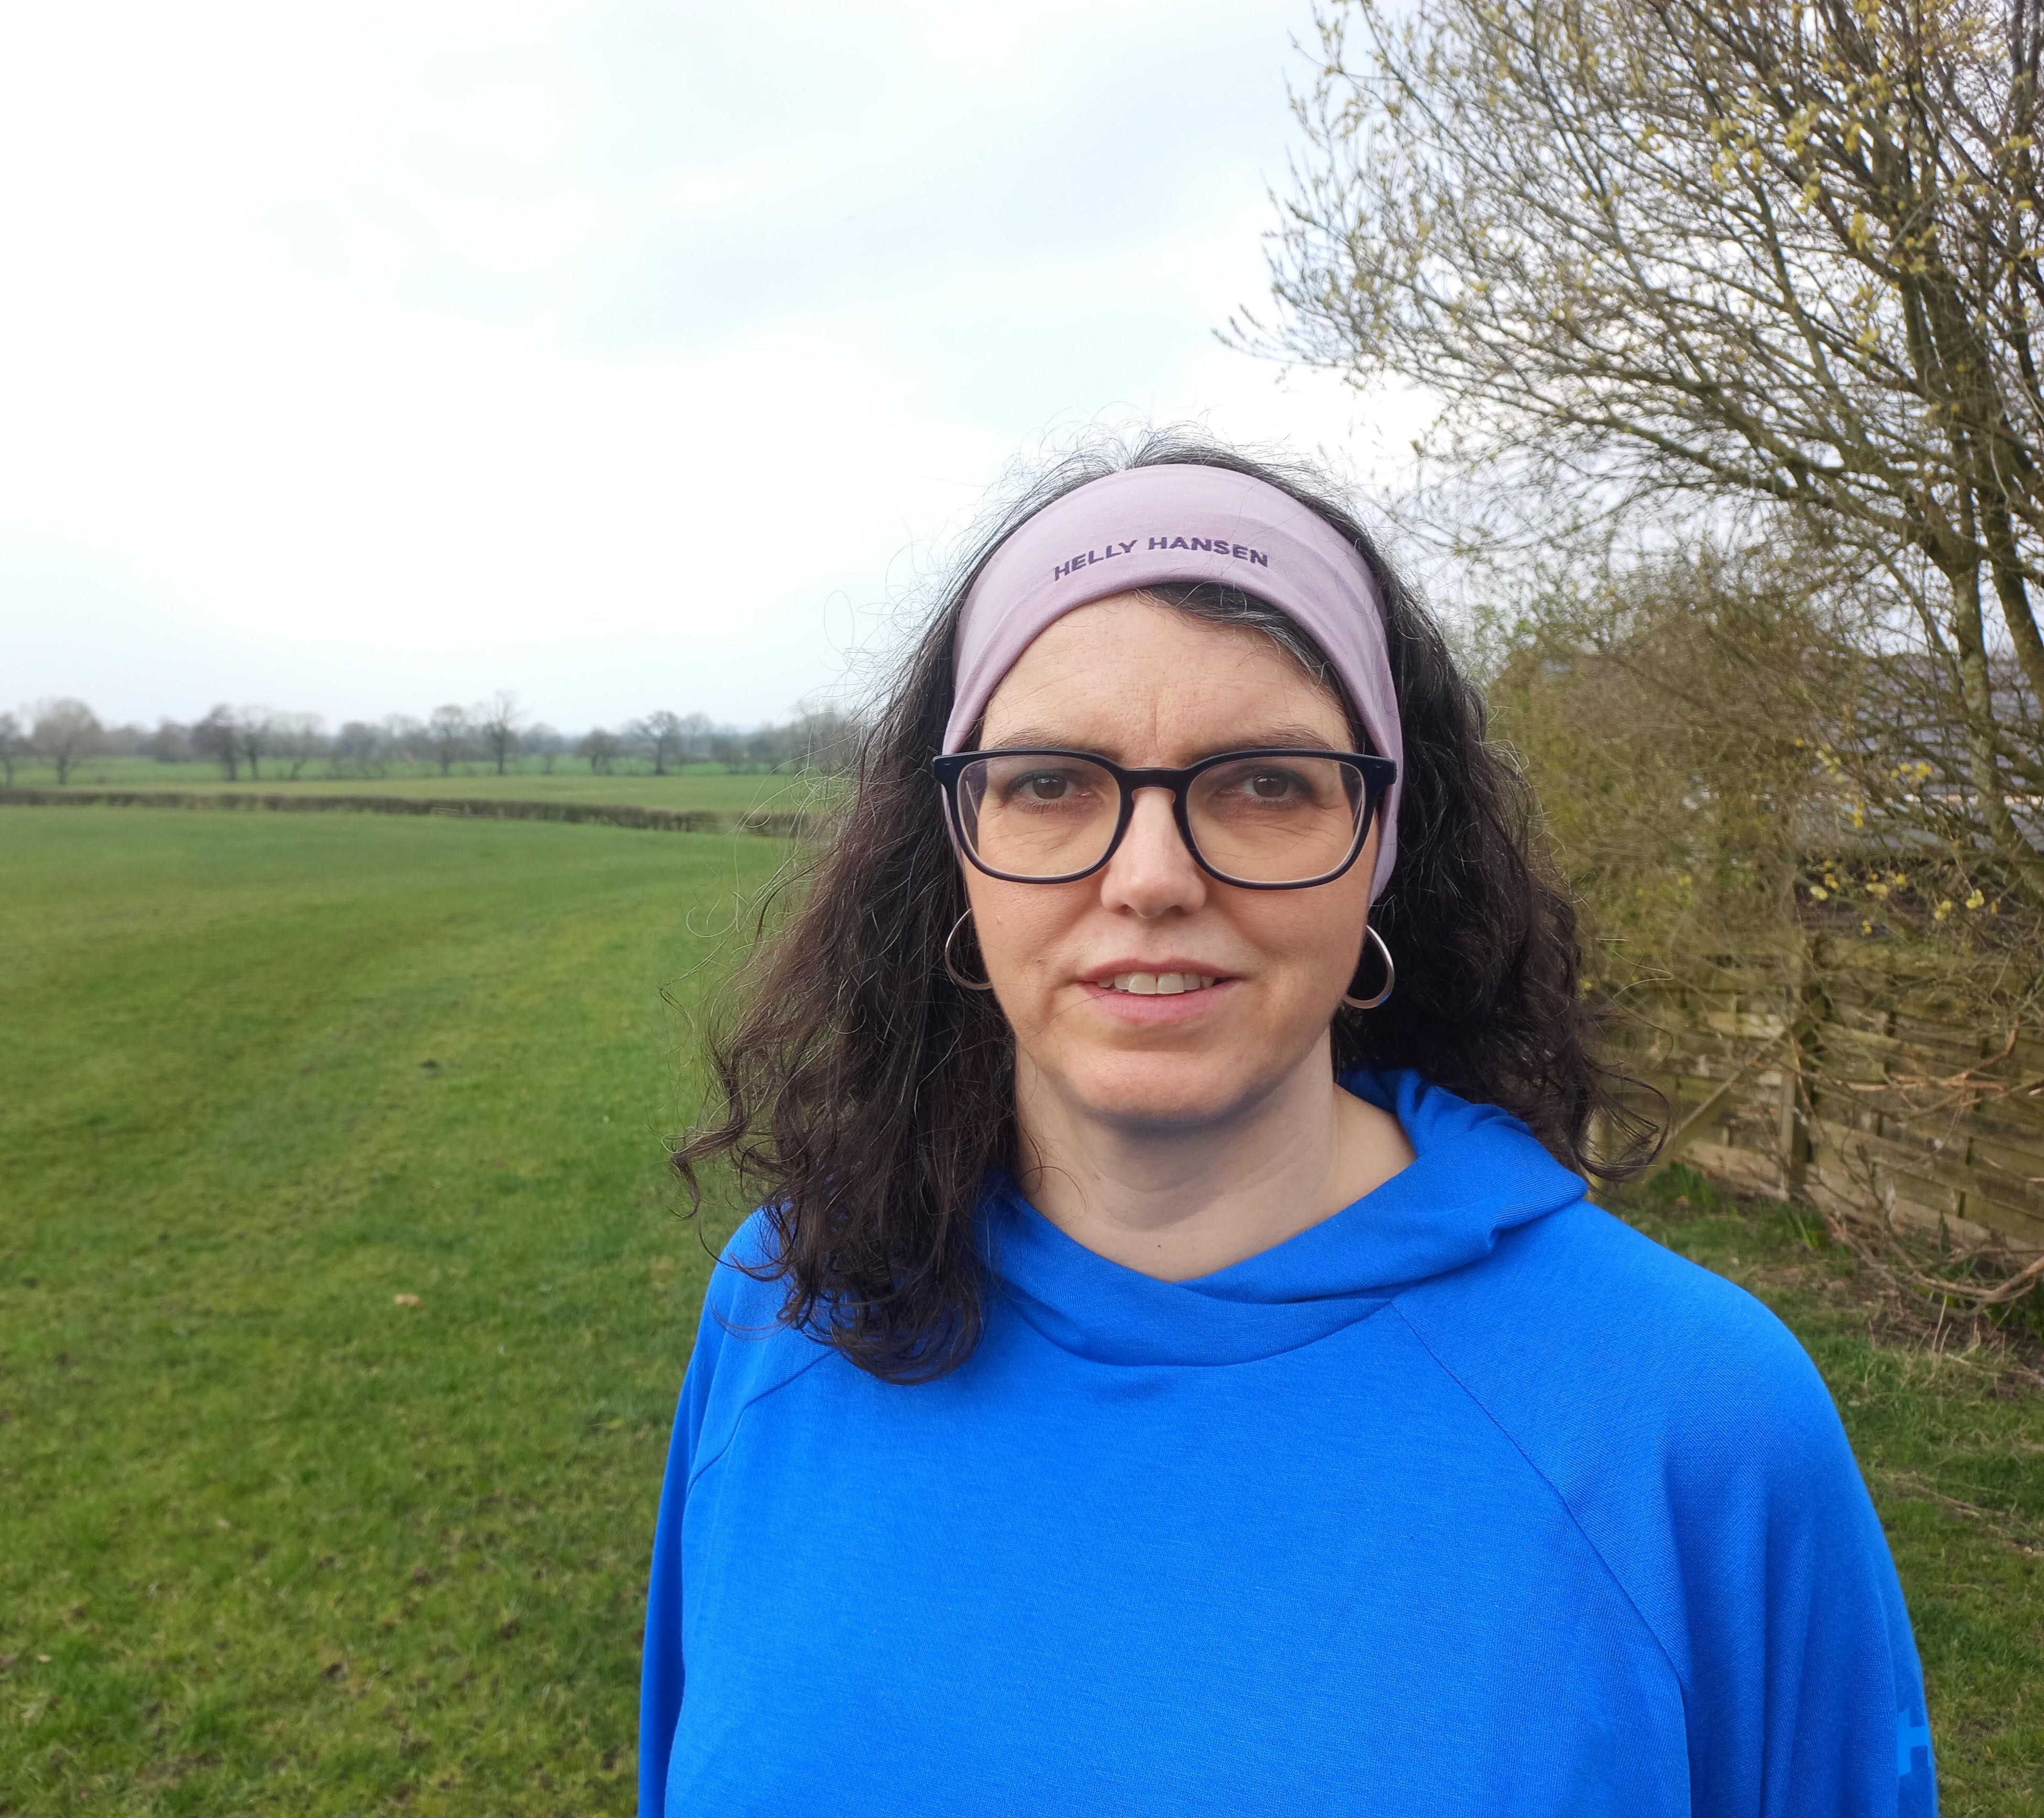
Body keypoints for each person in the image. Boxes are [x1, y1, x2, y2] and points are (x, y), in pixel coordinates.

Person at [637, 435, 1936, 1816]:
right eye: (1048, 781)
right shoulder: (790, 1300)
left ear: (1378, 847)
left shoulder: (1695, 1421)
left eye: (1265, 782)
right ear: (957, 847)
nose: (1149, 878)